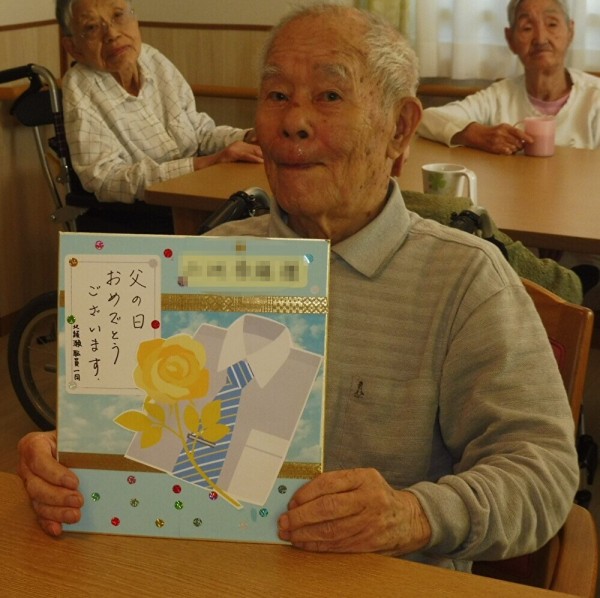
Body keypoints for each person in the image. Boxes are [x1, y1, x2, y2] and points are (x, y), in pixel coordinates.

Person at [18, 3, 579, 572]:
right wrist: (71, 459)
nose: (294, 122)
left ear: (399, 127)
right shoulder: (206, 261)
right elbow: (141, 439)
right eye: (277, 95)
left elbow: (543, 471)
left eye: (330, 96)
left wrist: (414, 513)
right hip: (211, 573)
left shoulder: (464, 280)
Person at [417, 0, 600, 301]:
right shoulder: (499, 96)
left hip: (584, 252)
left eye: (552, 24)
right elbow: (428, 118)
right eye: (527, 27)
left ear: (570, 31)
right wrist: (475, 133)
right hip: (516, 246)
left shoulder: (594, 98)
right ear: (510, 38)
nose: (540, 37)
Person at [55, 0, 263, 231]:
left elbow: (199, 132)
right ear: (73, 47)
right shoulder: (79, 88)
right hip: (148, 217)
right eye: (92, 27)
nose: (112, 34)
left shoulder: (152, 59)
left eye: (118, 16)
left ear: (134, 19)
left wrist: (247, 138)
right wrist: (203, 164)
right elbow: (104, 179)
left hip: (197, 194)